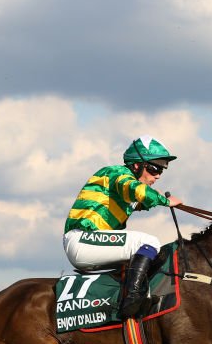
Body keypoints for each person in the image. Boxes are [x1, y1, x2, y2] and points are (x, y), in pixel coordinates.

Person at [63, 135, 183, 318]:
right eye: (154, 168)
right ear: (136, 165)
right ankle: (132, 300)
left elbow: (138, 200)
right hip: (82, 239)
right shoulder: (116, 173)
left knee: (150, 255)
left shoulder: (126, 187)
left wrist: (154, 199)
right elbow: (136, 190)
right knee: (148, 242)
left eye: (161, 170)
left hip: (91, 243)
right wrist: (164, 200)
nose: (157, 175)